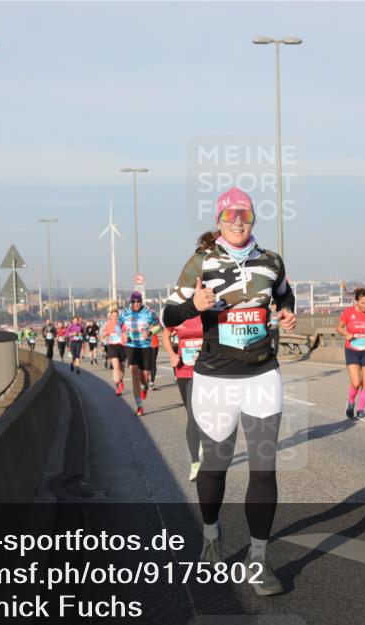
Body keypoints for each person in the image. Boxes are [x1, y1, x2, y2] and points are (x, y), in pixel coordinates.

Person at [162, 186, 296, 597]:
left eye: (246, 215)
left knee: (263, 467)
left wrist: (289, 313)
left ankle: (258, 558)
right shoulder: (201, 262)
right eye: (230, 215)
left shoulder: (271, 261)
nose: (238, 221)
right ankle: (211, 533)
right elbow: (168, 313)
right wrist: (194, 307)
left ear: (253, 219)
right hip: (214, 379)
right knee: (215, 468)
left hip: (261, 375)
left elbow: (284, 296)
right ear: (219, 219)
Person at [162, 317, 204, 481]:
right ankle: (195, 462)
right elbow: (166, 335)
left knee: (205, 413)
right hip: (184, 371)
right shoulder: (179, 312)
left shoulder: (207, 310)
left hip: (207, 369)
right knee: (192, 415)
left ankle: (201, 448)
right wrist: (172, 354)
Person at [337, 288, 365, 419]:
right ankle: (350, 402)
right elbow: (339, 328)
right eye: (362, 303)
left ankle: (361, 410)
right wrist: (346, 334)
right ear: (356, 301)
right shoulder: (348, 312)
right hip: (352, 350)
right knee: (356, 383)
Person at [117, 292, 161, 416]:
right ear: (130, 302)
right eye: (133, 301)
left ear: (141, 301)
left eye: (138, 301)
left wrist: (150, 332)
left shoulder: (149, 313)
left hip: (145, 347)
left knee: (144, 377)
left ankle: (145, 386)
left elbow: (158, 326)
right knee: (134, 373)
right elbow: (117, 326)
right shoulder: (125, 313)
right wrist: (123, 333)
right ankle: (139, 406)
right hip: (131, 346)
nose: (136, 304)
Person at [102, 309, 126, 395]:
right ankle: (117, 387)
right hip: (112, 346)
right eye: (113, 316)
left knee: (121, 367)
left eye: (116, 316)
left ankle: (121, 380)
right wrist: (109, 332)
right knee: (116, 366)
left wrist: (124, 334)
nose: (115, 317)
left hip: (122, 346)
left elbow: (126, 332)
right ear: (111, 316)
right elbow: (103, 334)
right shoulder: (107, 324)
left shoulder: (122, 323)